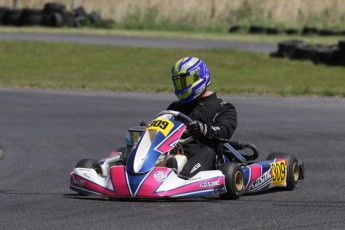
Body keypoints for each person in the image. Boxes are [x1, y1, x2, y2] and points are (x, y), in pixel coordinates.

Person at [167, 56, 237, 178]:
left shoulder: (222, 107)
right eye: (178, 83)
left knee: (207, 152)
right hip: (176, 149)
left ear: (199, 78)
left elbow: (225, 132)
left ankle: (179, 180)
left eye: (184, 82)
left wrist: (203, 129)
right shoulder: (175, 107)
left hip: (204, 153)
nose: (181, 87)